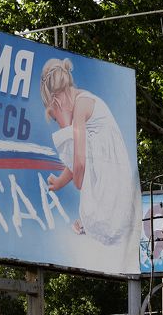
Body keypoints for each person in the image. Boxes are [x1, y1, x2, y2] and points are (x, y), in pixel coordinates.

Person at [40, 57, 141, 246]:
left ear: (57, 100)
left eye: (54, 116)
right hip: (114, 186)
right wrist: (61, 180)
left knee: (65, 137)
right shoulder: (85, 101)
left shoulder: (81, 105)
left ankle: (92, 219)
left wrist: (62, 121)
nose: (58, 122)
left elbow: (79, 166)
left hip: (112, 189)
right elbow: (83, 153)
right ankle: (91, 221)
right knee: (75, 141)